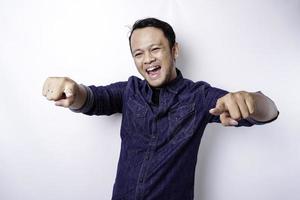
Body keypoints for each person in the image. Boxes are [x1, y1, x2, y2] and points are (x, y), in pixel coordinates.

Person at [42, 18, 279, 200]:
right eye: (138, 53)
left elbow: (268, 112)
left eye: (155, 49)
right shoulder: (128, 91)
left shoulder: (199, 97)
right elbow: (94, 99)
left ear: (174, 50)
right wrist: (73, 90)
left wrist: (250, 100)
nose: (147, 59)